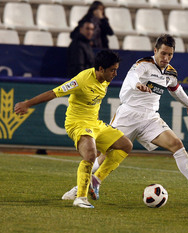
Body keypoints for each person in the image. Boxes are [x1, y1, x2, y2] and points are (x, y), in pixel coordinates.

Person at [62, 34, 188, 202]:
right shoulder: (143, 64)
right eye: (163, 53)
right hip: (128, 115)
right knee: (106, 156)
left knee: (176, 144)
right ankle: (79, 188)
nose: (166, 58)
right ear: (155, 50)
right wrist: (137, 84)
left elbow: (176, 89)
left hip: (150, 118)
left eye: (170, 54)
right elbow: (132, 77)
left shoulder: (170, 73)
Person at [15, 50, 133, 209]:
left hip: (94, 123)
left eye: (116, 69)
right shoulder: (82, 80)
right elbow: (54, 93)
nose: (115, 73)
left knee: (126, 145)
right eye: (112, 70)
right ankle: (80, 198)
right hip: (77, 123)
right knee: (90, 155)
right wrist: (27, 104)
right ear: (100, 69)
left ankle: (95, 181)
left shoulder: (105, 80)